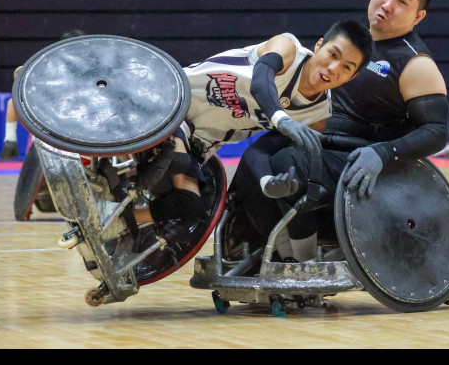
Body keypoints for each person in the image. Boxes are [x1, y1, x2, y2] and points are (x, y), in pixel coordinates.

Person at [229, 0, 448, 262]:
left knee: (289, 162)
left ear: (418, 17)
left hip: (358, 158)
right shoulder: (354, 44)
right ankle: (264, 254)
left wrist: (384, 152)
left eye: (403, 2)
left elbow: (437, 132)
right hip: (321, 141)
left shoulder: (415, 63)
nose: (387, 5)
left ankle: (303, 264)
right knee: (254, 158)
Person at [130, 21, 373, 237]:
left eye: (346, 67)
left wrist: (268, 180)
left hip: (197, 141)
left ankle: (122, 221)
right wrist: (282, 118)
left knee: (191, 208)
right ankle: (114, 179)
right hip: (175, 102)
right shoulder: (288, 48)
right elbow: (261, 80)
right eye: (333, 54)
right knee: (173, 159)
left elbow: (262, 149)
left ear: (351, 78)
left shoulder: (316, 117)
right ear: (319, 46)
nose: (333, 68)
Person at [0, 29, 87, 160]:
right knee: (13, 102)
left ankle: (10, 140)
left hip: (67, 124)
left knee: (12, 102)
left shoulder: (51, 64)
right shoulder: (52, 65)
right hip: (60, 123)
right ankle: (11, 142)